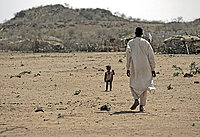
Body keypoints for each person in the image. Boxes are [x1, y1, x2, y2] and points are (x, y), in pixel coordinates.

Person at [126, 27, 156, 112]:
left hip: (134, 67)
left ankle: (136, 99)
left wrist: (128, 68)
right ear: (142, 34)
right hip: (146, 67)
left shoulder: (130, 43)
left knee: (132, 84)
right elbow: (151, 56)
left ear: (135, 33)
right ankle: (142, 106)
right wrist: (153, 69)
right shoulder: (146, 43)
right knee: (144, 85)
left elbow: (128, 56)